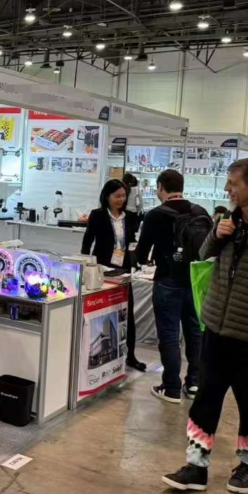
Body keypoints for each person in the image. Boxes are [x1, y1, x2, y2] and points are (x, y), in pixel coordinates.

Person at [162, 158, 248, 494]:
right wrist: (216, 234)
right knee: (205, 399)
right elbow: (203, 255)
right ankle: (196, 466)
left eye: (232, 183)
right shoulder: (229, 221)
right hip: (215, 331)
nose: (227, 189)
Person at [134, 169, 205, 402]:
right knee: (195, 333)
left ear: (160, 187)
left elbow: (141, 252)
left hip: (167, 280)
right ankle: (194, 384)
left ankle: (171, 387)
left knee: (169, 335)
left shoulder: (155, 215)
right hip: (195, 281)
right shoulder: (199, 212)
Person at [82, 178, 146, 371]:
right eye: (117, 196)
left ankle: (131, 355)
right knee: (101, 309)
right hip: (101, 269)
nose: (121, 199)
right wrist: (84, 264)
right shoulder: (97, 215)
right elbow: (88, 241)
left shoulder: (130, 217)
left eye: (123, 196)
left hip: (123, 270)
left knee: (127, 311)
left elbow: (132, 242)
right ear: (107, 196)